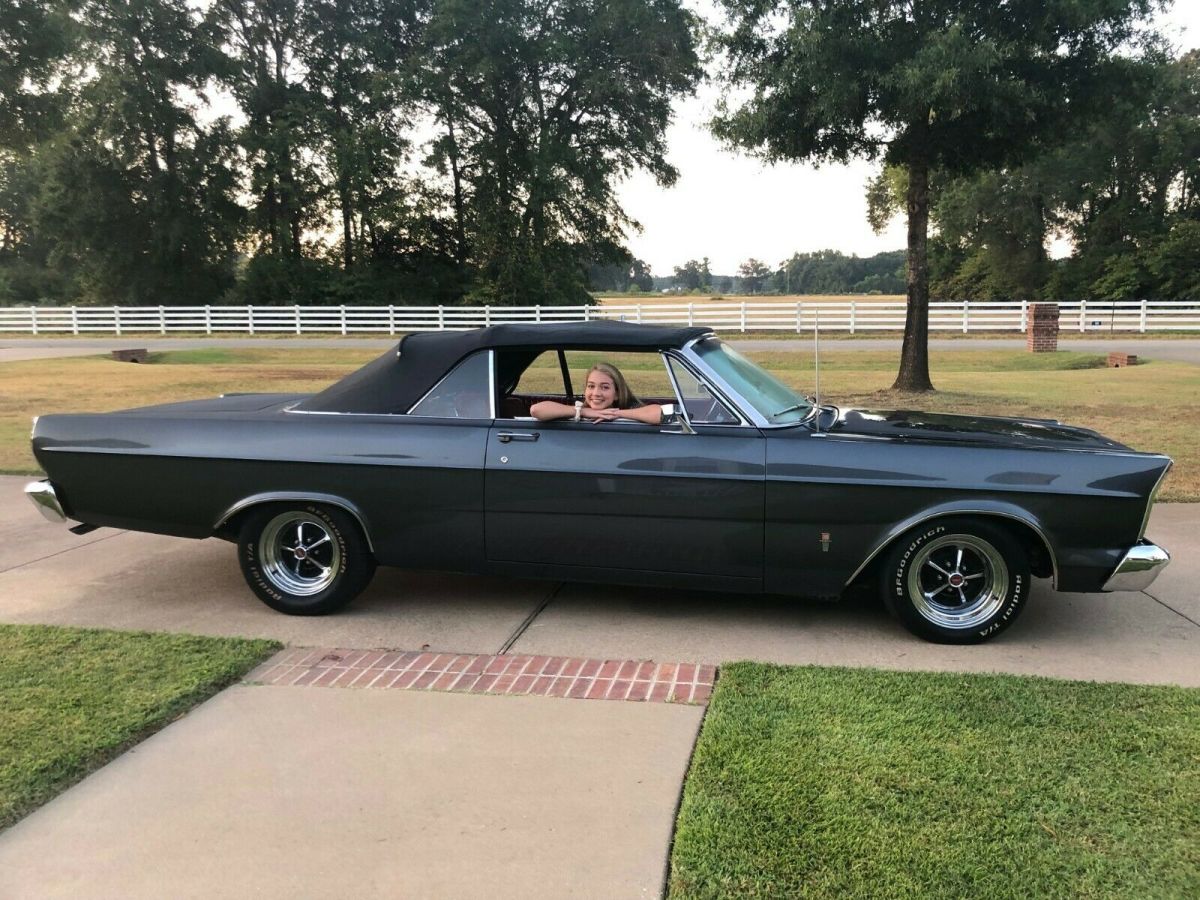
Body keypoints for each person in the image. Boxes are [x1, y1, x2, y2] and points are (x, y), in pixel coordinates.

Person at [530, 362, 663, 425]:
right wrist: (584, 412)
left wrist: (614, 414)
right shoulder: (579, 409)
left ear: (617, 393)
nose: (596, 393)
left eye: (604, 387)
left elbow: (659, 414)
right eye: (591, 386)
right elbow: (537, 410)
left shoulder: (630, 409)